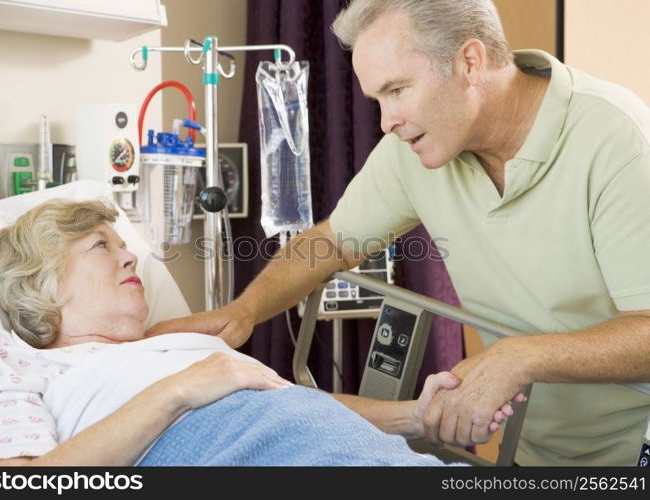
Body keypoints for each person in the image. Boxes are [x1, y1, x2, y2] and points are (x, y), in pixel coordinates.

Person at [147, 0, 650, 466]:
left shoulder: (615, 139)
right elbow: (330, 244)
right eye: (375, 98)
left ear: (470, 63)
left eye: (397, 90)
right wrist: (243, 312)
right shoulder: (413, 153)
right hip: (538, 452)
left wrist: (521, 355)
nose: (387, 122)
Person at [0, 198, 517, 467]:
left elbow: (290, 403)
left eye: (127, 247)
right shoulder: (15, 365)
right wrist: (179, 391)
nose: (129, 259)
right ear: (42, 284)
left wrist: (416, 416)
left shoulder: (170, 345)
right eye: (103, 246)